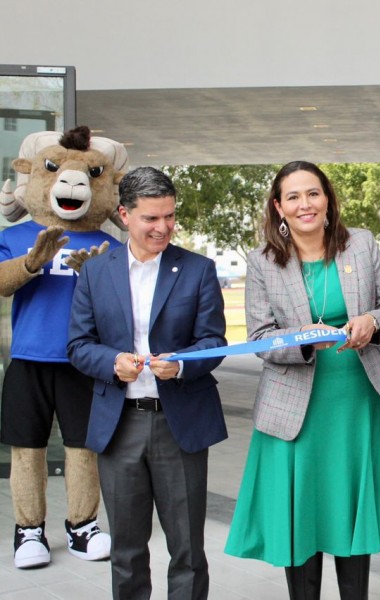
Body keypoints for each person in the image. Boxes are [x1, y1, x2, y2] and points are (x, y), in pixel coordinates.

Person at [224, 160, 380, 599]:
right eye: (292, 196)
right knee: (300, 520)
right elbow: (259, 338)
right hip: (296, 409)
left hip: (356, 402)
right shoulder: (262, 262)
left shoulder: (361, 245)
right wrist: (306, 342)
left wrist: (372, 320)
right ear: (278, 207)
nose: (304, 204)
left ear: (328, 198)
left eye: (313, 193)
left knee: (350, 514)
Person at [67, 166, 228, 600]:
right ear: (124, 214)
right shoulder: (96, 273)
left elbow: (213, 342)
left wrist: (182, 366)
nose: (164, 228)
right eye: (151, 218)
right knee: (127, 550)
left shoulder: (198, 270)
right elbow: (78, 345)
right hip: (119, 425)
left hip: (179, 424)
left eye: (170, 217)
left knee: (188, 551)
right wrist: (111, 362)